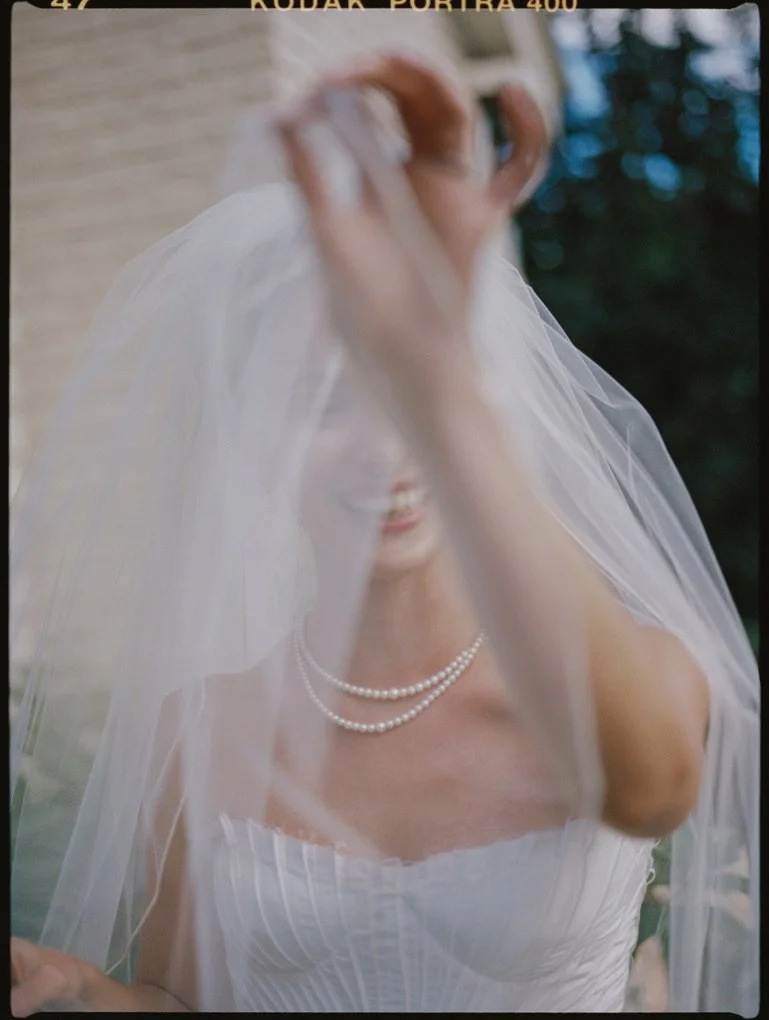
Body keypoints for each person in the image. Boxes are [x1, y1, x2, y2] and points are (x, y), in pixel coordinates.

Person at [10, 55, 758, 1015]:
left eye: (399, 390)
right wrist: (83, 991)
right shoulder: (195, 728)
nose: (383, 450)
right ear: (252, 440)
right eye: (321, 405)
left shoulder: (640, 667)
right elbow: (183, 1000)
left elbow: (650, 792)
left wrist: (433, 372)